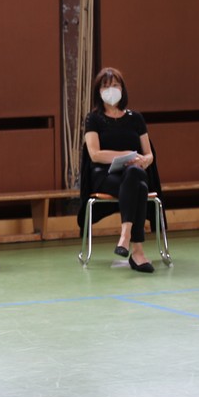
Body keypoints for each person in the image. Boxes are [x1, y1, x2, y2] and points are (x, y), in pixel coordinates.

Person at [82, 67, 157, 273]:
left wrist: (143, 160)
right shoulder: (93, 119)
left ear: (122, 89)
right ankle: (137, 251)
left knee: (135, 175)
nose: (111, 90)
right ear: (98, 91)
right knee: (140, 187)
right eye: (106, 86)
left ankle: (125, 236)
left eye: (115, 85)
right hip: (105, 175)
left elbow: (149, 154)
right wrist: (125, 154)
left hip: (133, 173)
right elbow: (95, 154)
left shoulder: (136, 118)